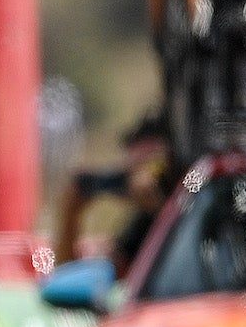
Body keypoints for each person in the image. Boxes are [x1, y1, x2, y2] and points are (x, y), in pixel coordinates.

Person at [55, 113, 174, 278]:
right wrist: (71, 214)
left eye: (155, 170)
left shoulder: (197, 206)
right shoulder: (145, 225)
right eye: (129, 175)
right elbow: (68, 281)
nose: (140, 185)